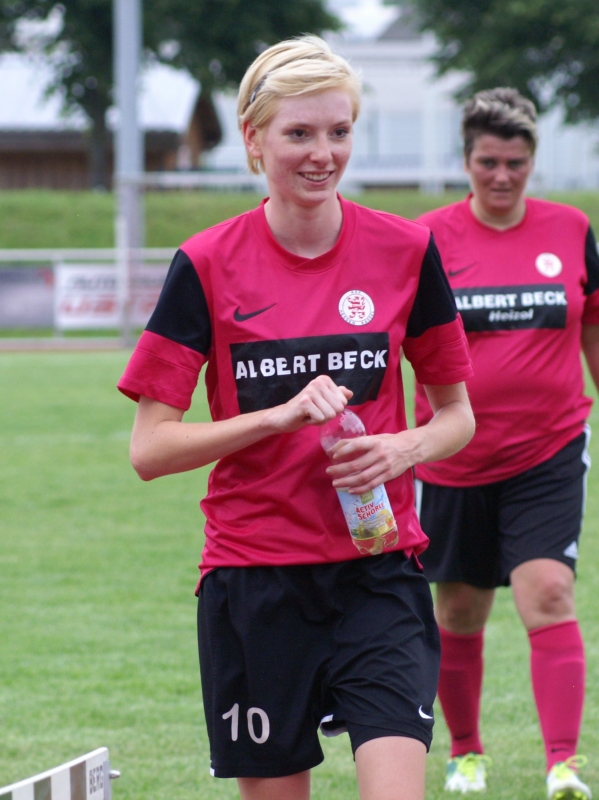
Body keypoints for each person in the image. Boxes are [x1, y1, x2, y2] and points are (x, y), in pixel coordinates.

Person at [118, 36, 474, 800]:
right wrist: (274, 419)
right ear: (253, 140)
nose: (322, 154)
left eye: (338, 131)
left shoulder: (407, 250)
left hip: (378, 571)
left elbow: (456, 415)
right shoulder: (206, 263)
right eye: (299, 133)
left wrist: (403, 449)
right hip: (256, 580)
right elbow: (149, 450)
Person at [415, 87, 599, 799]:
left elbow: (592, 325)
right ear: (465, 160)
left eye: (515, 163)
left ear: (532, 162)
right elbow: (398, 341)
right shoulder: (426, 239)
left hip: (548, 450)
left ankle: (562, 763)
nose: (501, 176)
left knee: (548, 592)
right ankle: (465, 753)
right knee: (459, 611)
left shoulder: (571, 229)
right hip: (450, 457)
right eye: (487, 162)